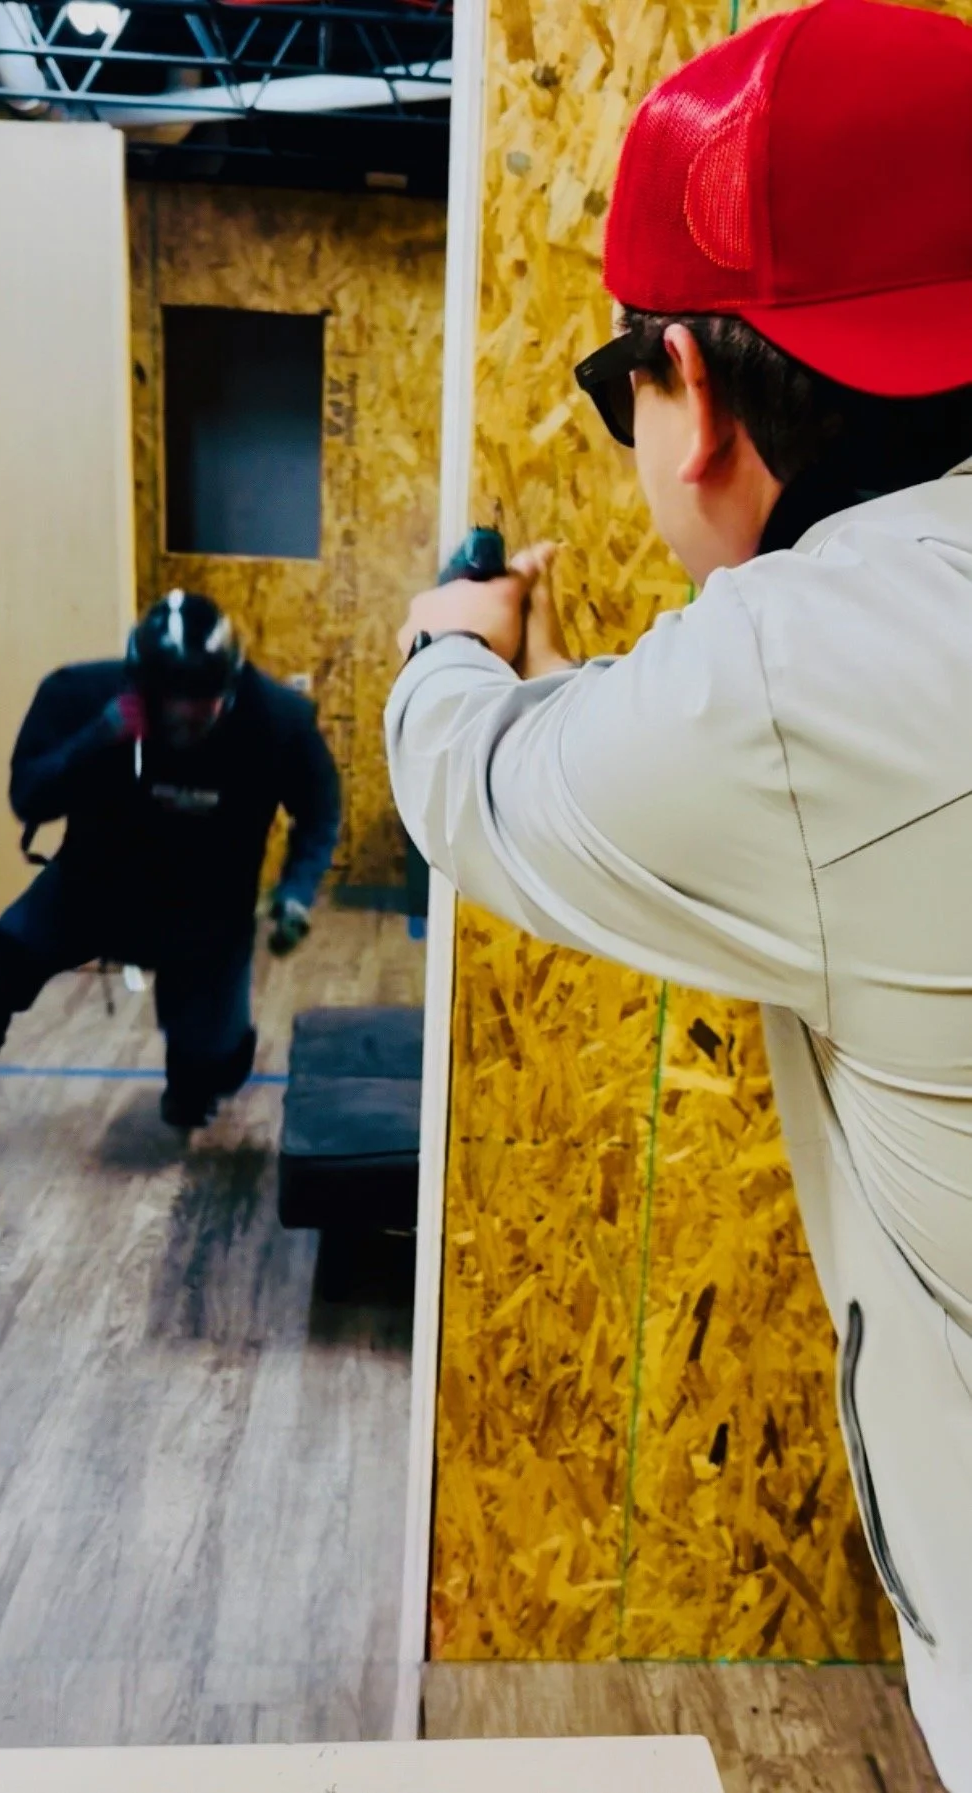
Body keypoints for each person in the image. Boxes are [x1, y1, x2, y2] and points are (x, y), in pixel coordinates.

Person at [386, 1, 972, 1784]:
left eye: (617, 384)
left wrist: (449, 643)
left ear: (694, 395)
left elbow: (473, 788)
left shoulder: (797, 677)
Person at [0, 591, 340, 1181]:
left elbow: (319, 811)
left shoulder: (277, 719)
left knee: (214, 1067)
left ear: (231, 683)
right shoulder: (80, 695)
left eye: (205, 702)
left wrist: (296, 890)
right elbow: (29, 798)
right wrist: (98, 736)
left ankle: (197, 1076)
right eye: (174, 703)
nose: (190, 716)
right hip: (90, 886)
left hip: (207, 909)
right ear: (139, 690)